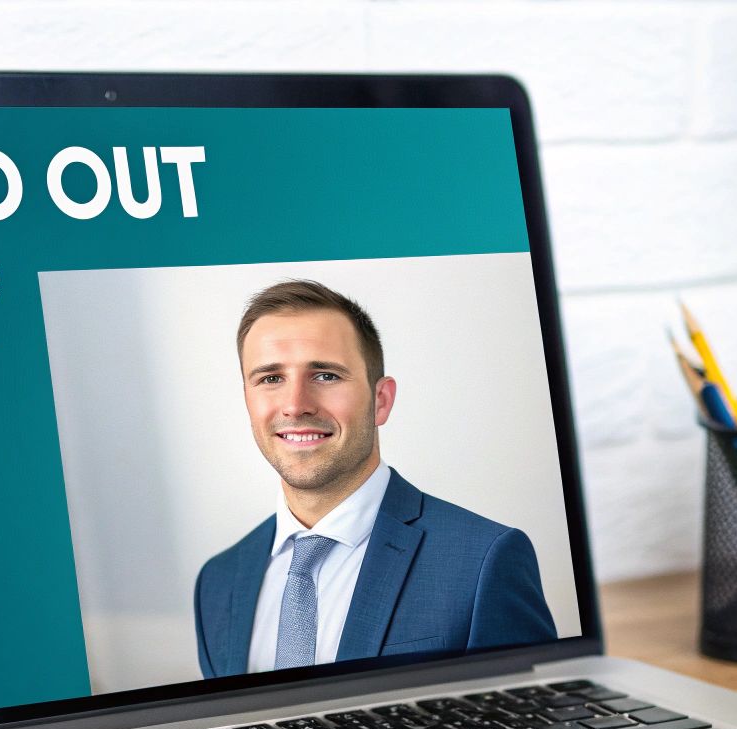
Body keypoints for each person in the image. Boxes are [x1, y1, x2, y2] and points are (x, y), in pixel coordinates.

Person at [194, 279, 557, 679]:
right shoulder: (217, 583)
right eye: (270, 378)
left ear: (380, 400)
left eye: (326, 375)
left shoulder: (484, 561)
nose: (295, 405)